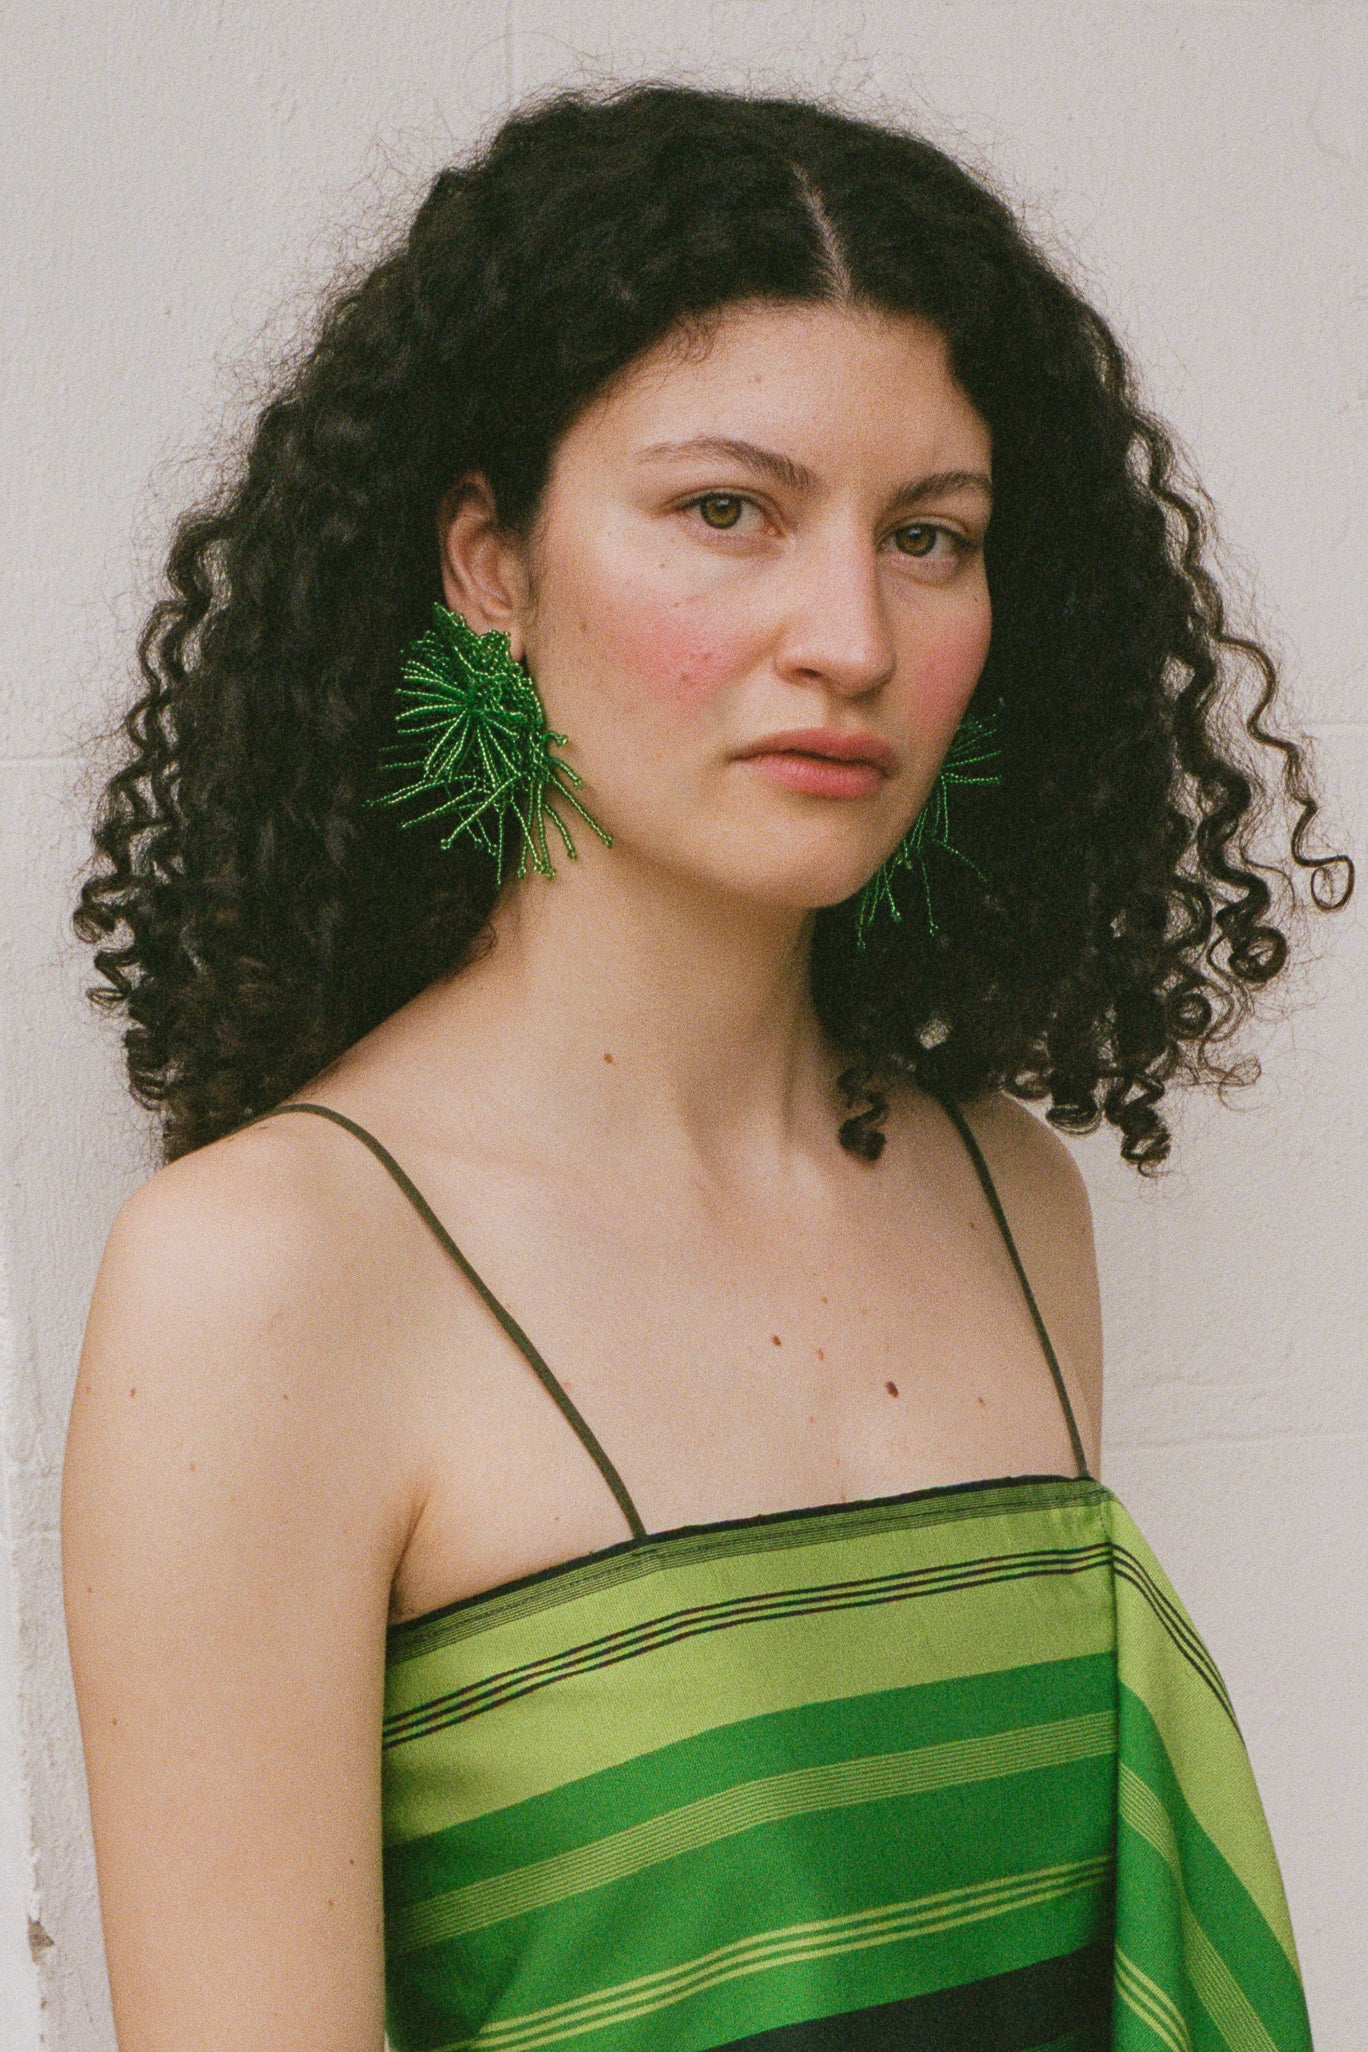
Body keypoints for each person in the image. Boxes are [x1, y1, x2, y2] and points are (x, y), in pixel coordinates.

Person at [62, 82, 1349, 2052]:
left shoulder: (1013, 1204)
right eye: (725, 510)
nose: (847, 634)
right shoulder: (268, 1279)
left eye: (932, 538)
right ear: (489, 562)